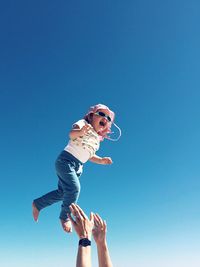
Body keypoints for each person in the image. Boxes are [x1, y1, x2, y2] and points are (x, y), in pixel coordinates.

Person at [32, 104, 121, 233]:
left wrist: (101, 160)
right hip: (66, 161)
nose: (105, 118)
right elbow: (71, 135)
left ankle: (38, 204)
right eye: (101, 114)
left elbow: (90, 156)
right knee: (74, 189)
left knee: (64, 193)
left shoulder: (97, 140)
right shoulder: (83, 124)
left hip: (78, 167)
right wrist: (80, 132)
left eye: (108, 117)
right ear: (91, 116)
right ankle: (64, 217)